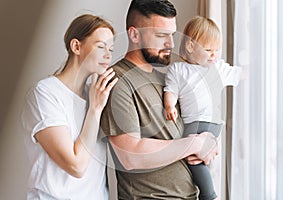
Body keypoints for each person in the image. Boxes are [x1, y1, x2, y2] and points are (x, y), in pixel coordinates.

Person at [100, 1, 218, 199]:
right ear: (134, 34)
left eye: (172, 34)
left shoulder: (170, 76)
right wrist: (195, 144)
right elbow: (130, 155)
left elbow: (192, 127)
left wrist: (209, 143)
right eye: (161, 36)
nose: (170, 44)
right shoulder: (118, 81)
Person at [21, 14, 118, 200]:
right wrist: (95, 109)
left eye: (111, 49)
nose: (108, 55)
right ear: (76, 46)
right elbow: (76, 166)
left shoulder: (96, 94)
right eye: (100, 46)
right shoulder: (45, 93)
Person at [164, 16, 242, 200]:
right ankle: (208, 192)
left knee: (193, 159)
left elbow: (241, 74)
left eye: (217, 50)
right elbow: (171, 90)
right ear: (190, 46)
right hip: (195, 122)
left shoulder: (218, 68)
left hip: (213, 123)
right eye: (208, 50)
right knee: (197, 160)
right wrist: (170, 105)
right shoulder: (179, 69)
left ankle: (208, 195)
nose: (214, 55)